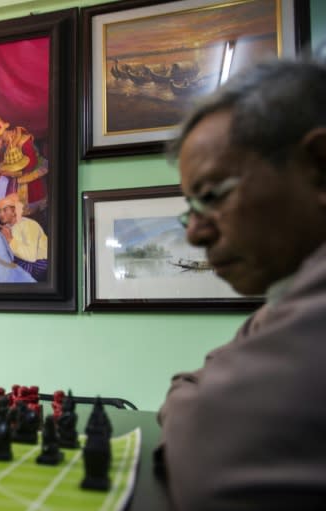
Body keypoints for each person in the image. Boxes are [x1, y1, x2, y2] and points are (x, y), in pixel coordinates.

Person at [156, 58, 326, 510]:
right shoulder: (289, 294)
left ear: (320, 166)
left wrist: (190, 399)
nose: (194, 232)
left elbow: (204, 447)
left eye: (212, 195)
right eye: (191, 207)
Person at [0, 114, 48, 214]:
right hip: (11, 180)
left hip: (28, 180)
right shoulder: (1, 142)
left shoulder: (23, 140)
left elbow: (32, 163)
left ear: (2, 126)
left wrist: (14, 173)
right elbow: (0, 160)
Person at [0, 193, 48, 281]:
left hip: (39, 264)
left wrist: (9, 239)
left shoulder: (29, 225)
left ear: (14, 211)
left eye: (5, 210)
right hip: (23, 261)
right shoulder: (7, 227)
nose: (0, 214)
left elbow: (31, 256)